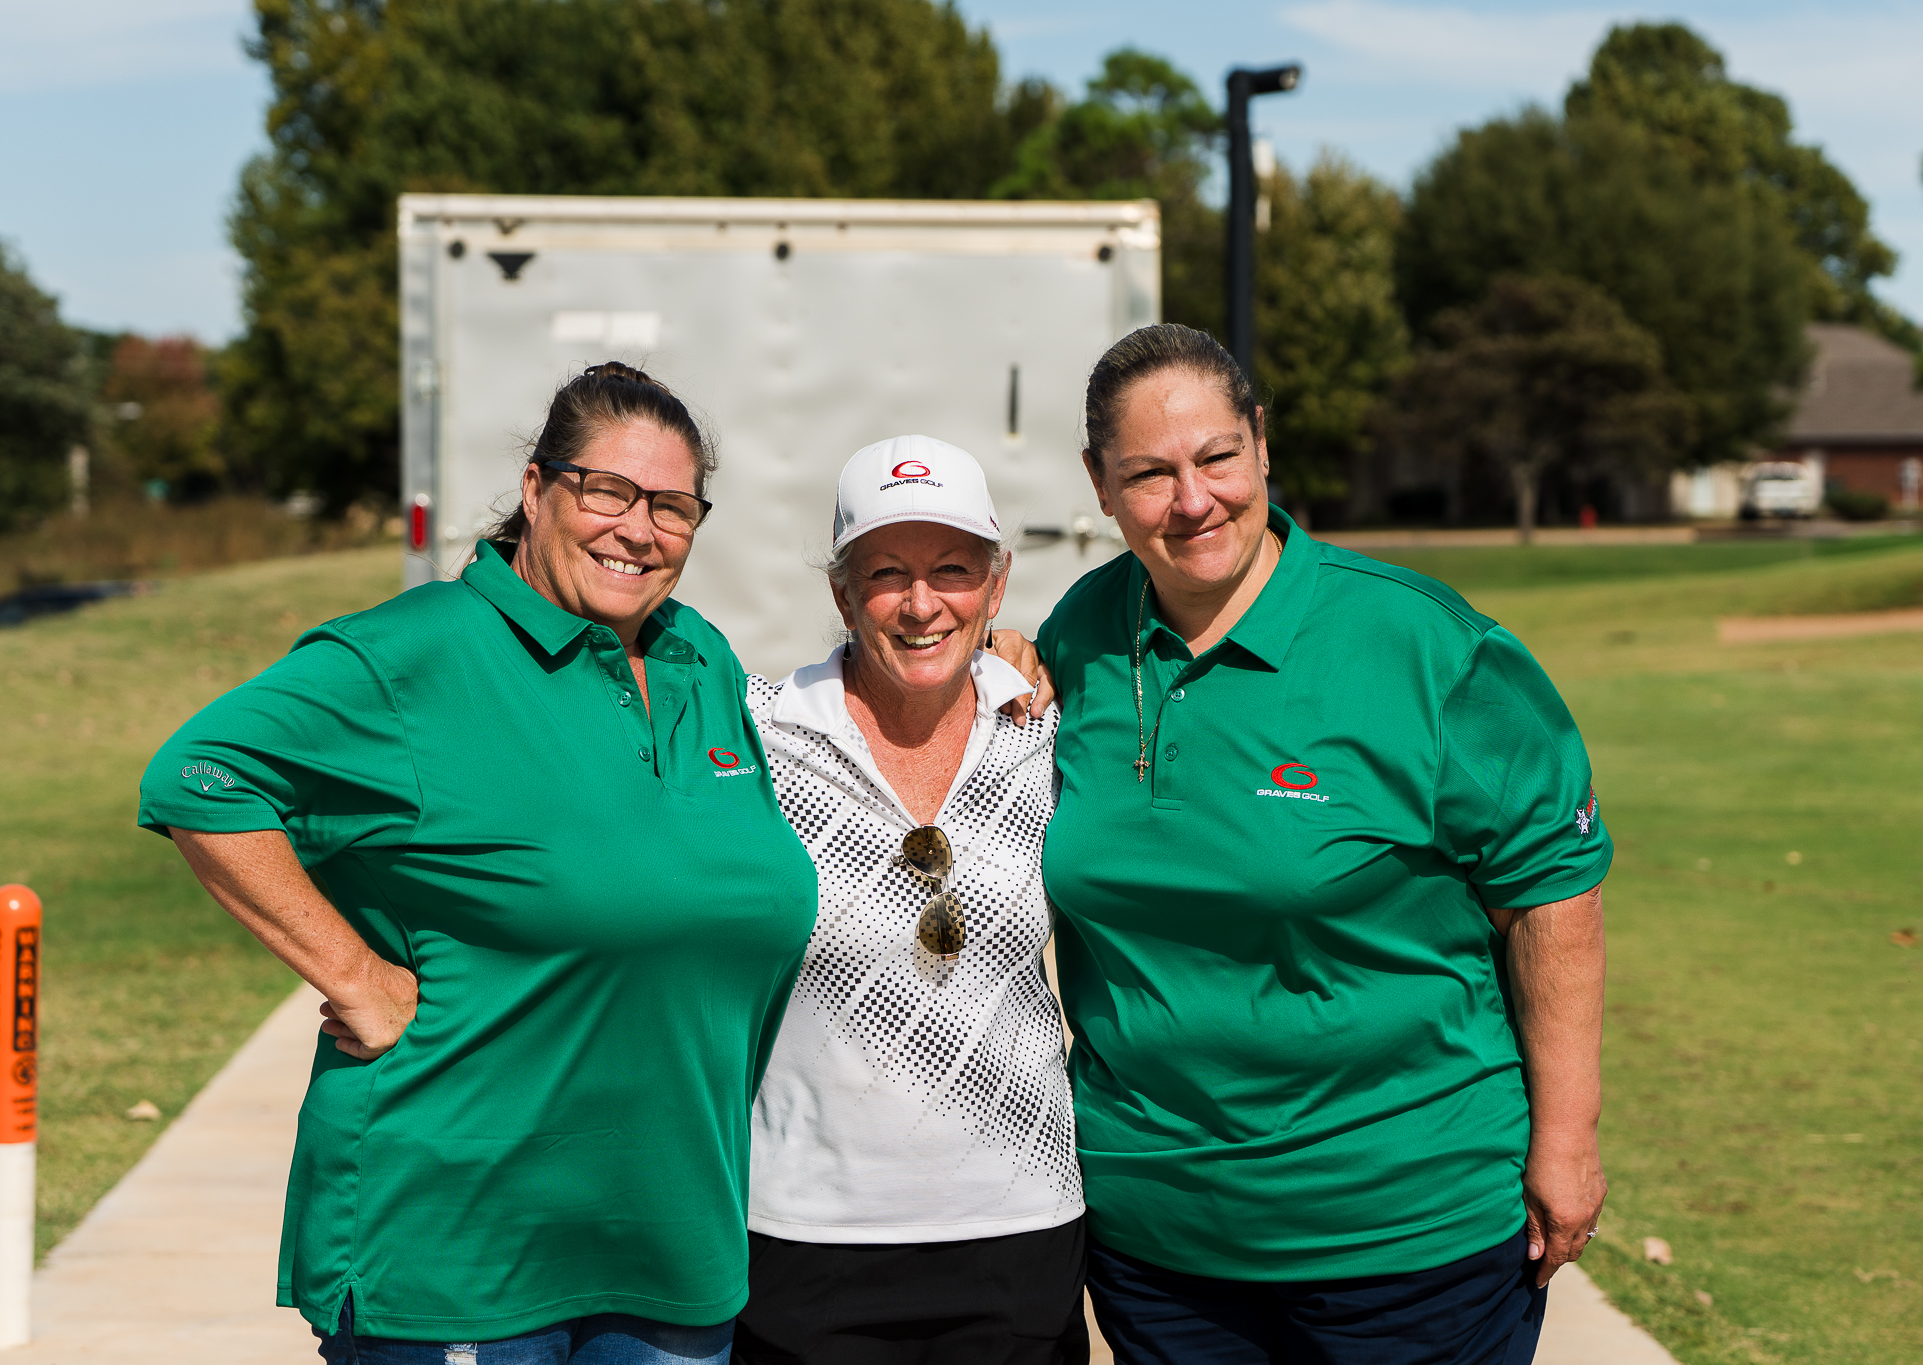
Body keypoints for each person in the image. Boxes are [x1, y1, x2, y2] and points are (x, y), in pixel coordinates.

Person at [136, 362, 819, 1365]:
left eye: (672, 507)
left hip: (670, 1248)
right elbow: (198, 777)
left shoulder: (698, 656)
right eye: (608, 491)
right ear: (537, 489)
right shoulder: (412, 655)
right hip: (457, 1255)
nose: (639, 529)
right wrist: (353, 975)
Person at [1035, 325, 1612, 1364]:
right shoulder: (1075, 638)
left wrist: (1566, 1142)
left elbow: (1551, 893)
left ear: (1260, 444)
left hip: (1405, 1238)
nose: (1192, 499)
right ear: (1099, 484)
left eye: (1216, 457)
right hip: (1158, 1246)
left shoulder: (1424, 646)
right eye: (1150, 473)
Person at [733, 436, 1088, 1365]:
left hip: (1021, 1230)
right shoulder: (758, 736)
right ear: (842, 593)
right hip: (803, 1239)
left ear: (997, 586)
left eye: (953, 570)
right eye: (887, 572)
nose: (923, 603)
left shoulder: (1049, 730)